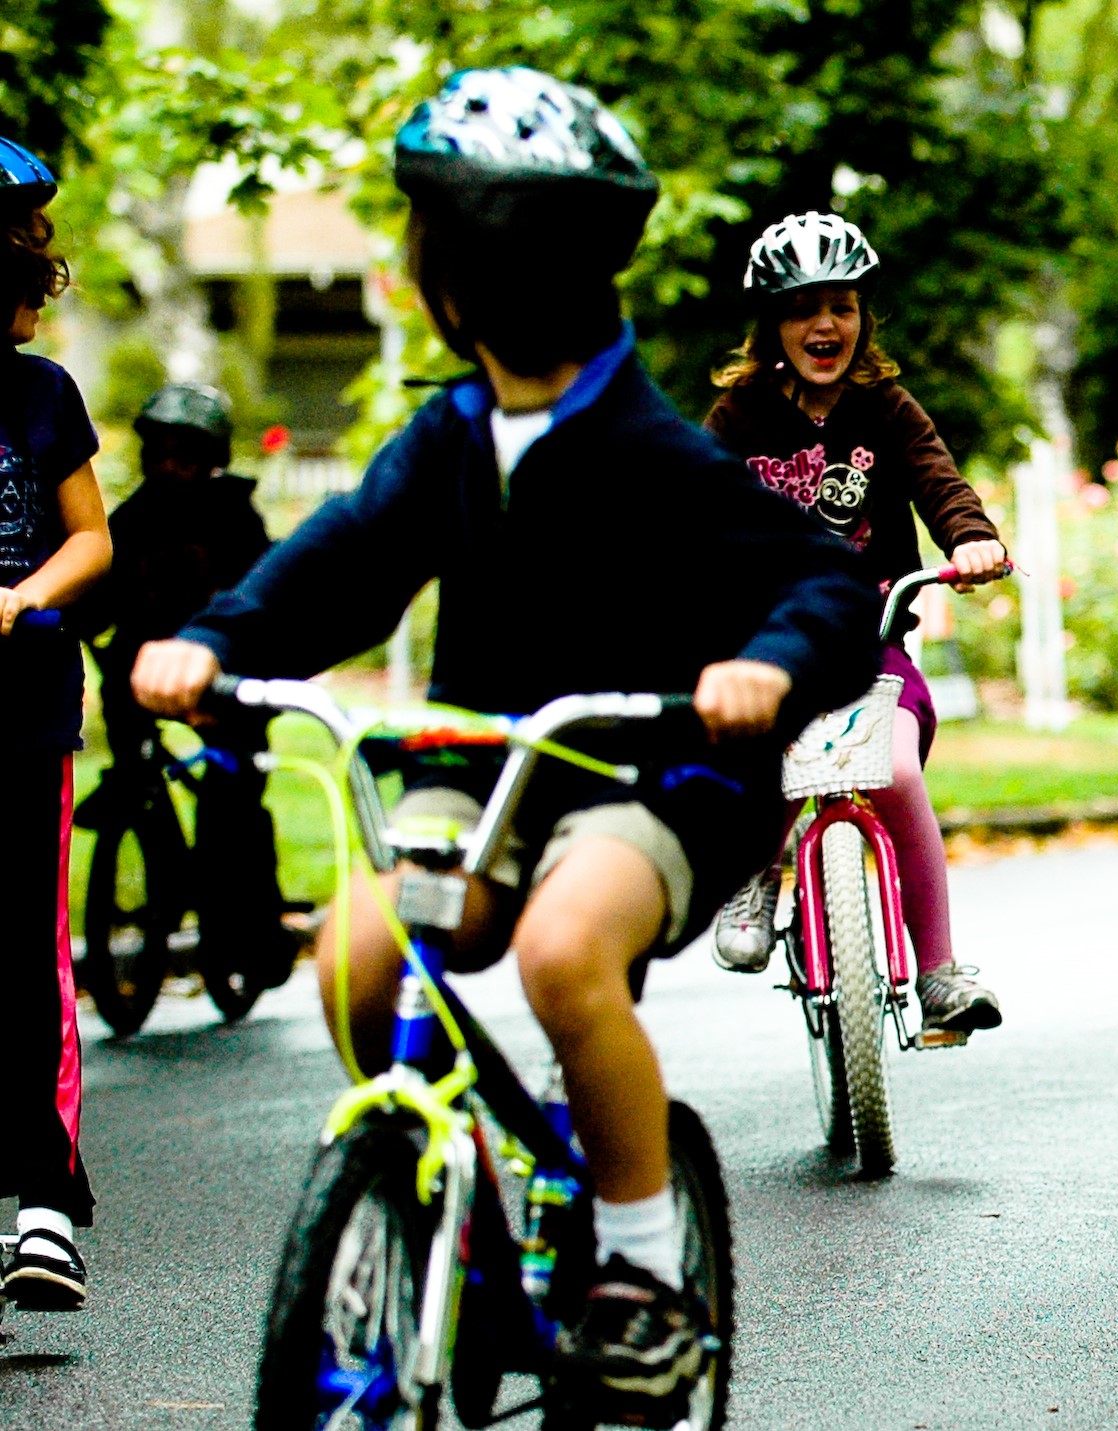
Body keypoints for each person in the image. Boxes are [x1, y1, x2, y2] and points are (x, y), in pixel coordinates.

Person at [128, 69, 877, 1394]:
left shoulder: (655, 447)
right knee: (360, 952)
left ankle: (642, 1265)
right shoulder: (451, 436)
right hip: (484, 774)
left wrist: (766, 665)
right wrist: (221, 639)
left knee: (561, 944)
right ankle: (437, 1182)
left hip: (655, 778)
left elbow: (820, 585)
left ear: (563, 273)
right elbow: (343, 560)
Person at [698, 210, 1007, 1036]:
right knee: (759, 757)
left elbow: (940, 482)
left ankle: (939, 970)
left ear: (862, 315)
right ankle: (757, 872)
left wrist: (971, 538)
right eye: (802, 309)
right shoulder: (739, 416)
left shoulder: (887, 410)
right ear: (773, 324)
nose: (823, 325)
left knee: (899, 774)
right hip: (772, 649)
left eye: (840, 304)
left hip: (872, 645)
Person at [0, 133, 113, 1314]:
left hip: (23, 721)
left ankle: (43, 1204)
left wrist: (26, 595)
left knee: (24, 959)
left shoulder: (42, 396)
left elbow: (92, 539)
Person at [74, 384, 288, 969]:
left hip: (223, 681)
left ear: (211, 456)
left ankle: (246, 920)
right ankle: (146, 822)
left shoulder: (234, 518)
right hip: (142, 676)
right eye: (159, 451)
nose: (169, 465)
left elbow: (264, 595)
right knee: (129, 750)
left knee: (231, 794)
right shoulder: (136, 516)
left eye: (184, 452)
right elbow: (101, 584)